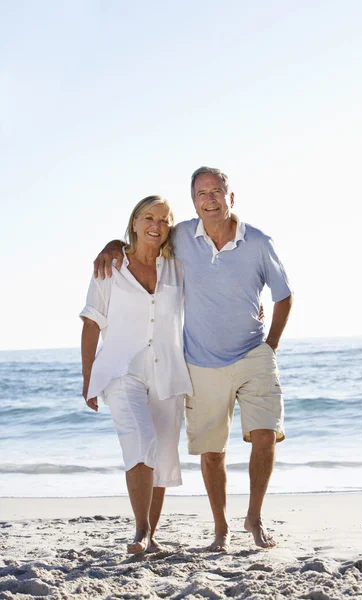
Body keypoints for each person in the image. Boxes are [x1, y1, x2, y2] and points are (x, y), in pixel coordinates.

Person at [94, 168, 293, 552]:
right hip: (200, 361)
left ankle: (254, 516)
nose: (210, 199)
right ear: (194, 201)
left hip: (254, 352)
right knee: (212, 452)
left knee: (266, 435)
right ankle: (221, 529)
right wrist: (111, 245)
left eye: (217, 192)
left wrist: (271, 344)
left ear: (230, 198)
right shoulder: (182, 235)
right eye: (202, 193)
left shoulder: (258, 242)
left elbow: (285, 295)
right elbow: (143, 237)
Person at [80, 195, 192, 554]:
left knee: (162, 453)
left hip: (168, 371)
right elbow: (91, 323)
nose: (155, 226)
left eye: (164, 220)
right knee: (141, 441)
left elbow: (213, 292)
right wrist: (88, 378)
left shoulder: (178, 266)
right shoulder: (109, 267)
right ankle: (140, 530)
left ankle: (151, 534)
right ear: (134, 222)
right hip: (120, 370)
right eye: (148, 217)